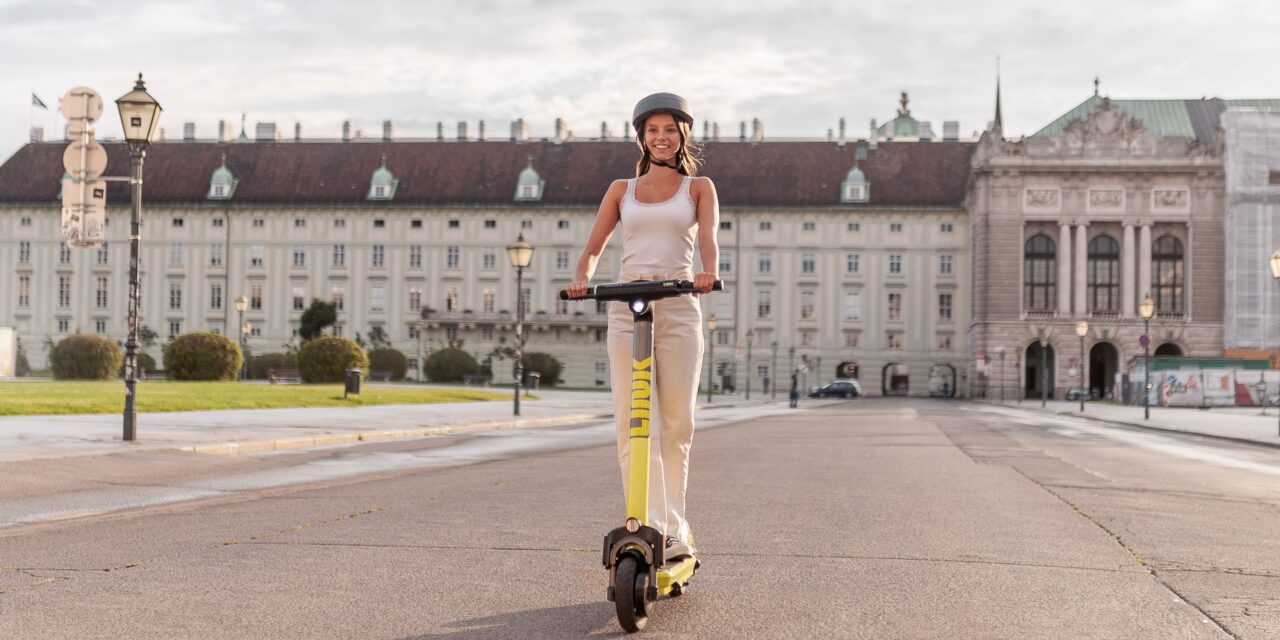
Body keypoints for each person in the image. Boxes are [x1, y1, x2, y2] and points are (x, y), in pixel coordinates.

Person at [565, 93, 719, 563]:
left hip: (677, 305)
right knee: (633, 424)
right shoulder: (620, 189)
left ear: (682, 135)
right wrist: (581, 279)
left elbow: (708, 241)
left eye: (669, 130)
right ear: (642, 138)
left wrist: (707, 272)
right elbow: (593, 246)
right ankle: (647, 522)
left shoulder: (699, 188)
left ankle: (674, 528)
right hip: (627, 307)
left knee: (676, 424)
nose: (661, 137)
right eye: (652, 130)